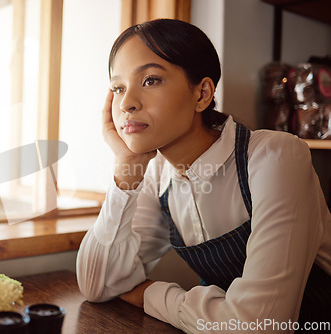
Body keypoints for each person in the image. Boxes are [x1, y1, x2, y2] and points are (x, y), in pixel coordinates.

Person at [76, 19, 331, 333]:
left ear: (202, 94)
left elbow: (261, 325)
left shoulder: (275, 157)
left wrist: (150, 294)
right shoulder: (157, 174)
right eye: (118, 87)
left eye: (150, 80)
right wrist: (125, 170)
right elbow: (97, 284)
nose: (127, 103)